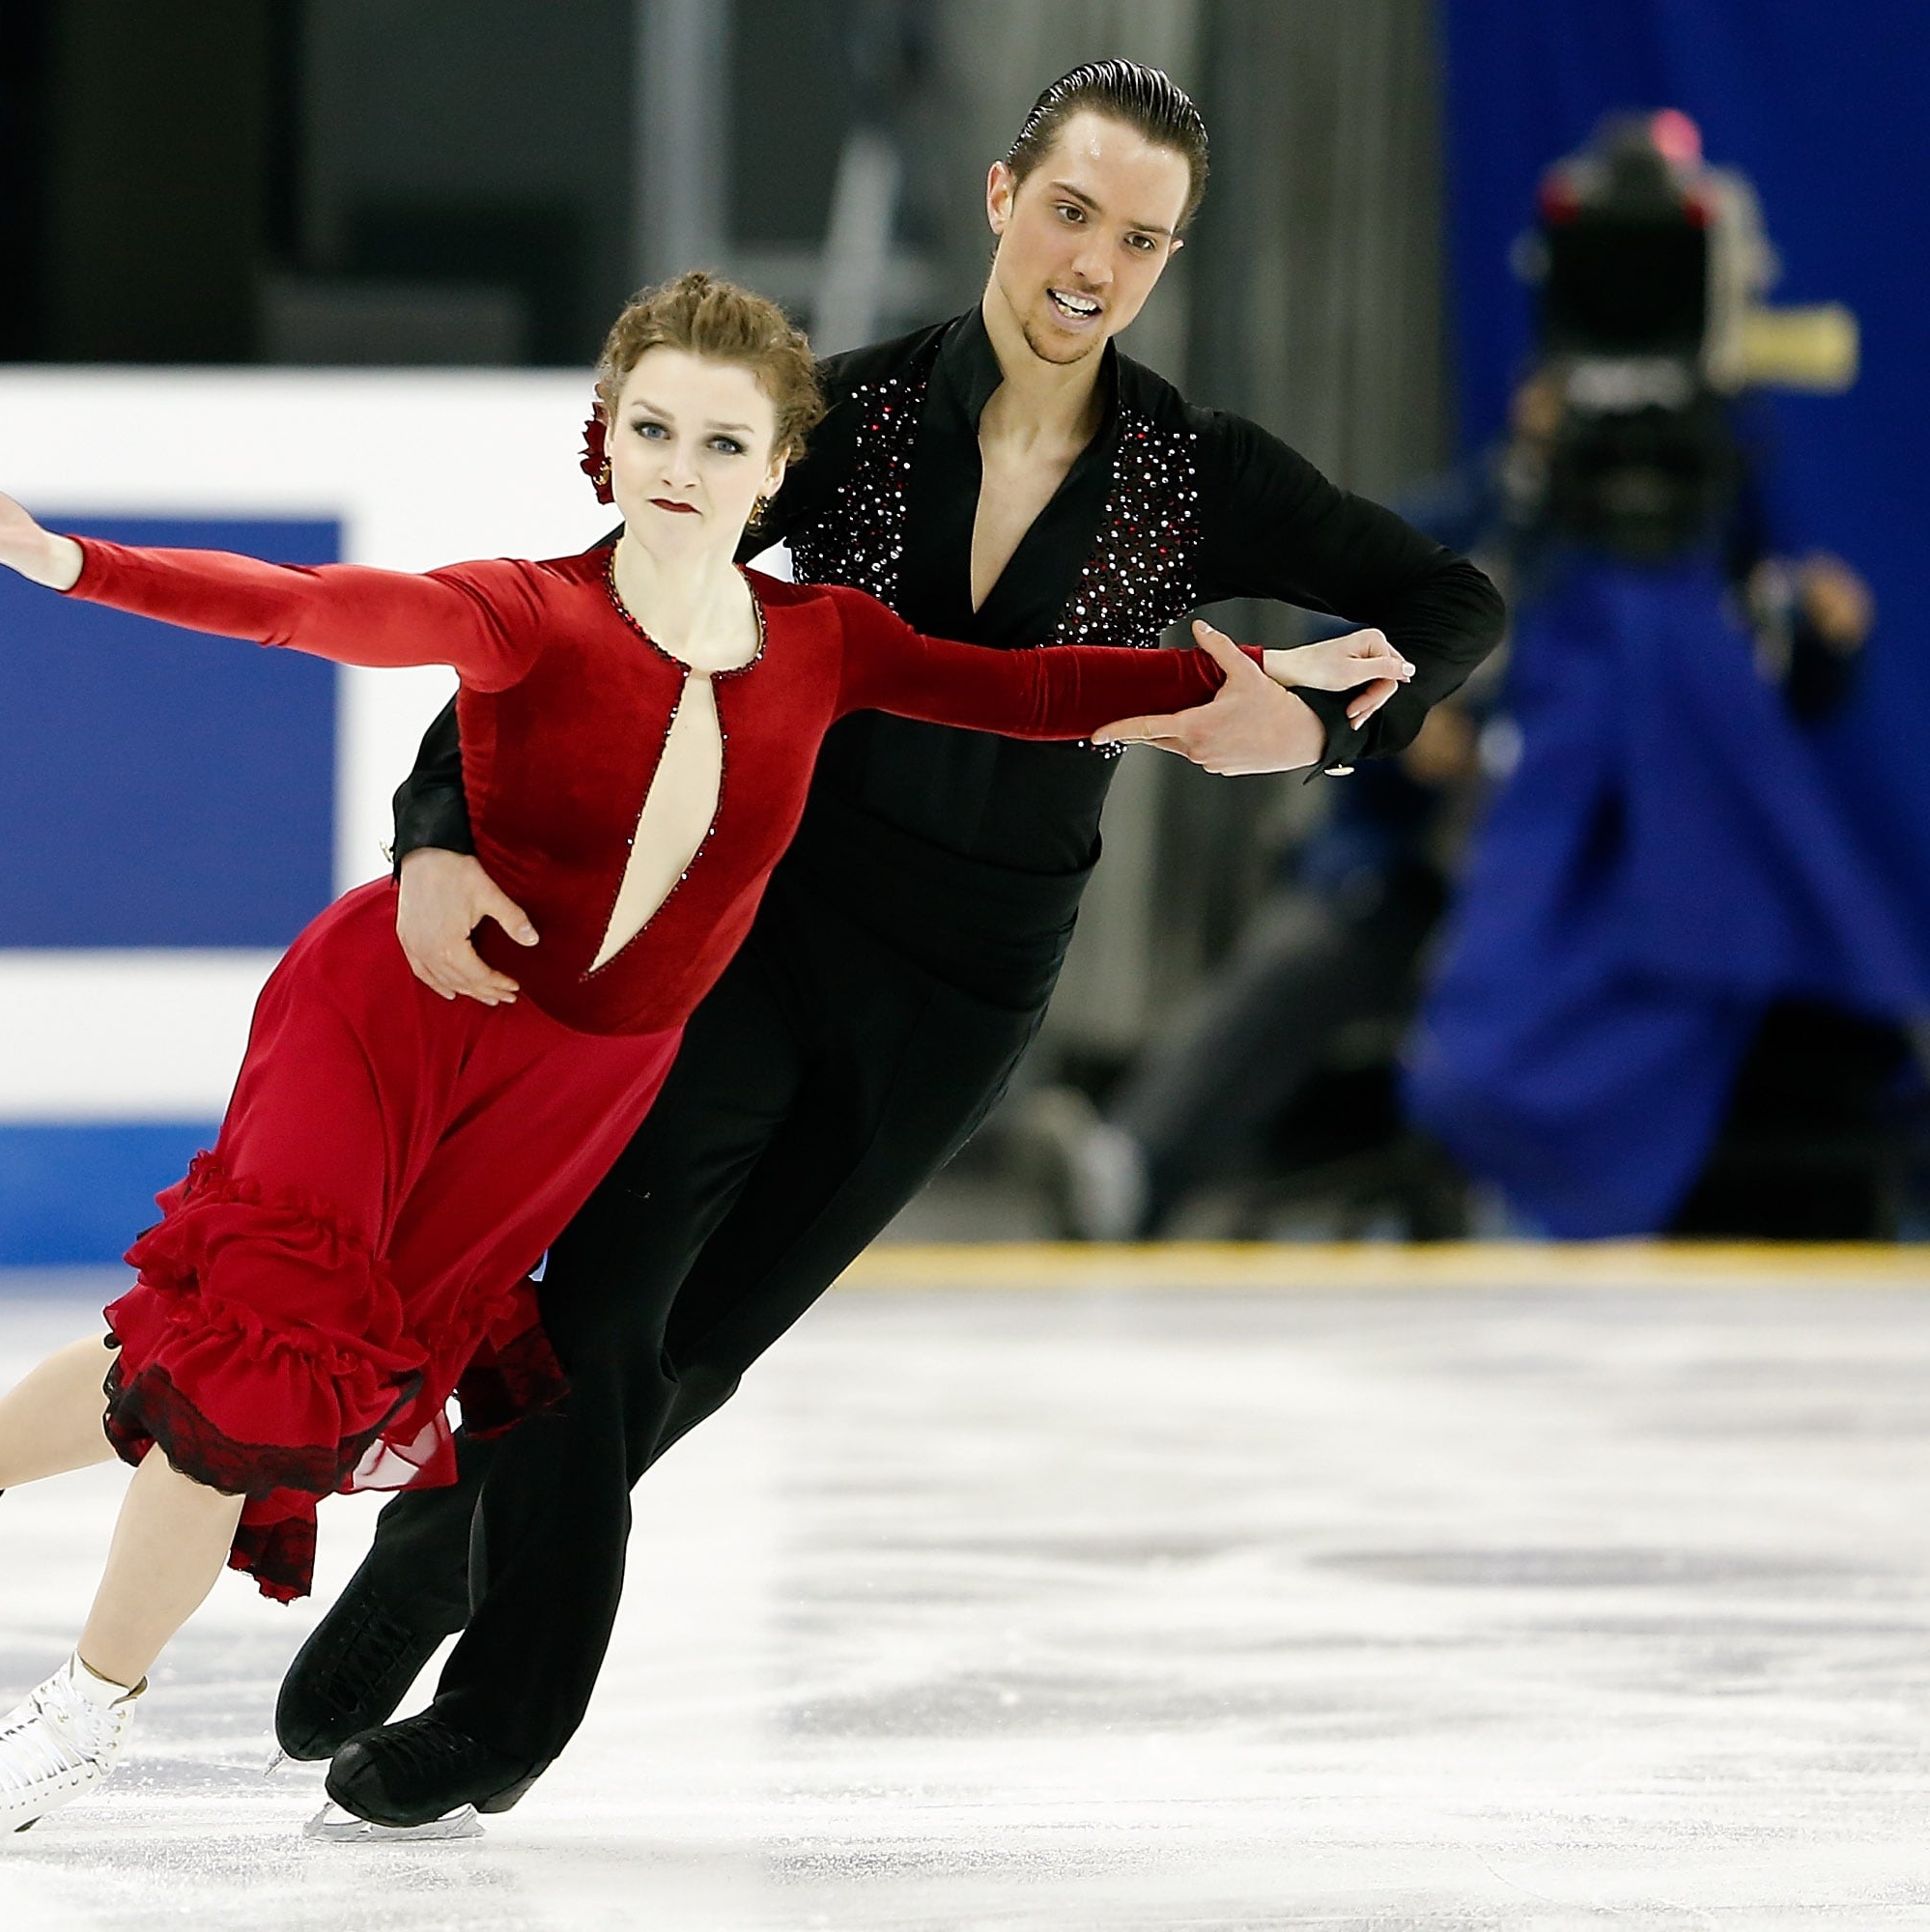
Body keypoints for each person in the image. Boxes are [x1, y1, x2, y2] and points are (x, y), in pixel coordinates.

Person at [0, 272, 1406, 1848]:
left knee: (197, 1370)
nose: (683, 469)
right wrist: (65, 560)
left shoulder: (823, 642)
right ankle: (88, 1713)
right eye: (656, 431)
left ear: (777, 470)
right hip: (391, 1024)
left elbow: (1033, 691)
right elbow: (315, 611)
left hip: (564, 1101)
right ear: (609, 436)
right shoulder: (528, 616)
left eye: (726, 442)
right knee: (254, 1370)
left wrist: (1267, 697)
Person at [277, 58, 1507, 1831]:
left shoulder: (1192, 476)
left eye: (1142, 239)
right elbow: (578, 621)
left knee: (701, 1350)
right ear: (1003, 198)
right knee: (599, 1306)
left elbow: (1453, 601)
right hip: (755, 930)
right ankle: (501, 1722)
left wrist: (1322, 732)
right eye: (1073, 212)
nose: (1096, 263)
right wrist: (437, 836)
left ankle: (432, 1561)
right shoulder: (834, 421)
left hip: (965, 987)